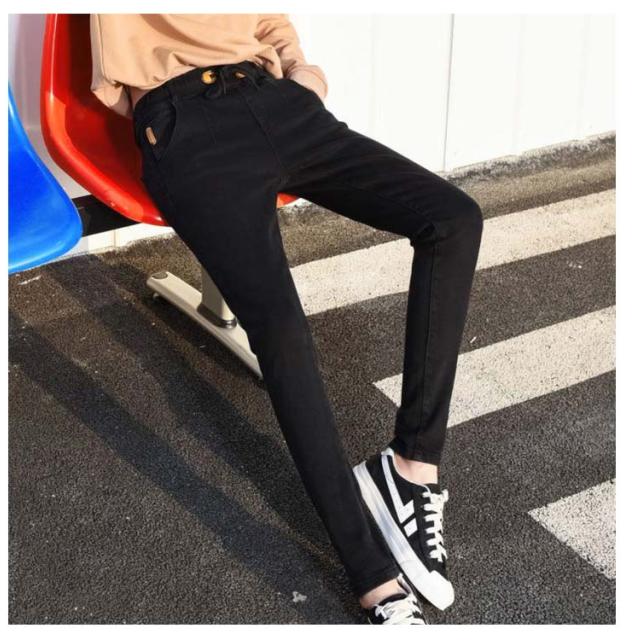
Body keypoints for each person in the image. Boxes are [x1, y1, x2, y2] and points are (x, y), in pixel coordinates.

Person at [90, 13, 483, 625]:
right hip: (186, 123)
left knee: (453, 219)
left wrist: (302, 77)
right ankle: (371, 575)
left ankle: (411, 467)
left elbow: (268, 19)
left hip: (275, 101)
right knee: (282, 331)